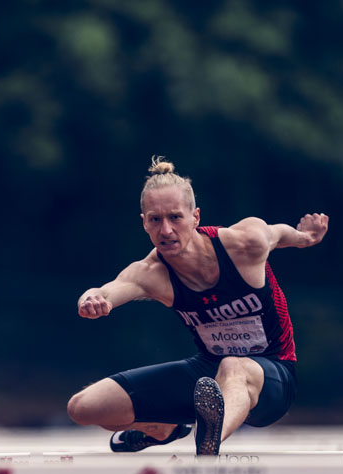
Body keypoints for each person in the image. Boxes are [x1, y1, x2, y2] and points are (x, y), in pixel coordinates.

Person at [67, 156, 327, 455]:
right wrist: (91, 299)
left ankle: (209, 441)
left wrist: (304, 237)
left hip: (273, 376)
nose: (165, 230)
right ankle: (164, 428)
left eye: (175, 217)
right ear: (144, 223)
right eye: (155, 219)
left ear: (195, 217)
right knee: (84, 407)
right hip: (207, 374)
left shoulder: (243, 244)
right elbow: (107, 290)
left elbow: (278, 234)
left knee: (233, 366)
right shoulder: (152, 273)